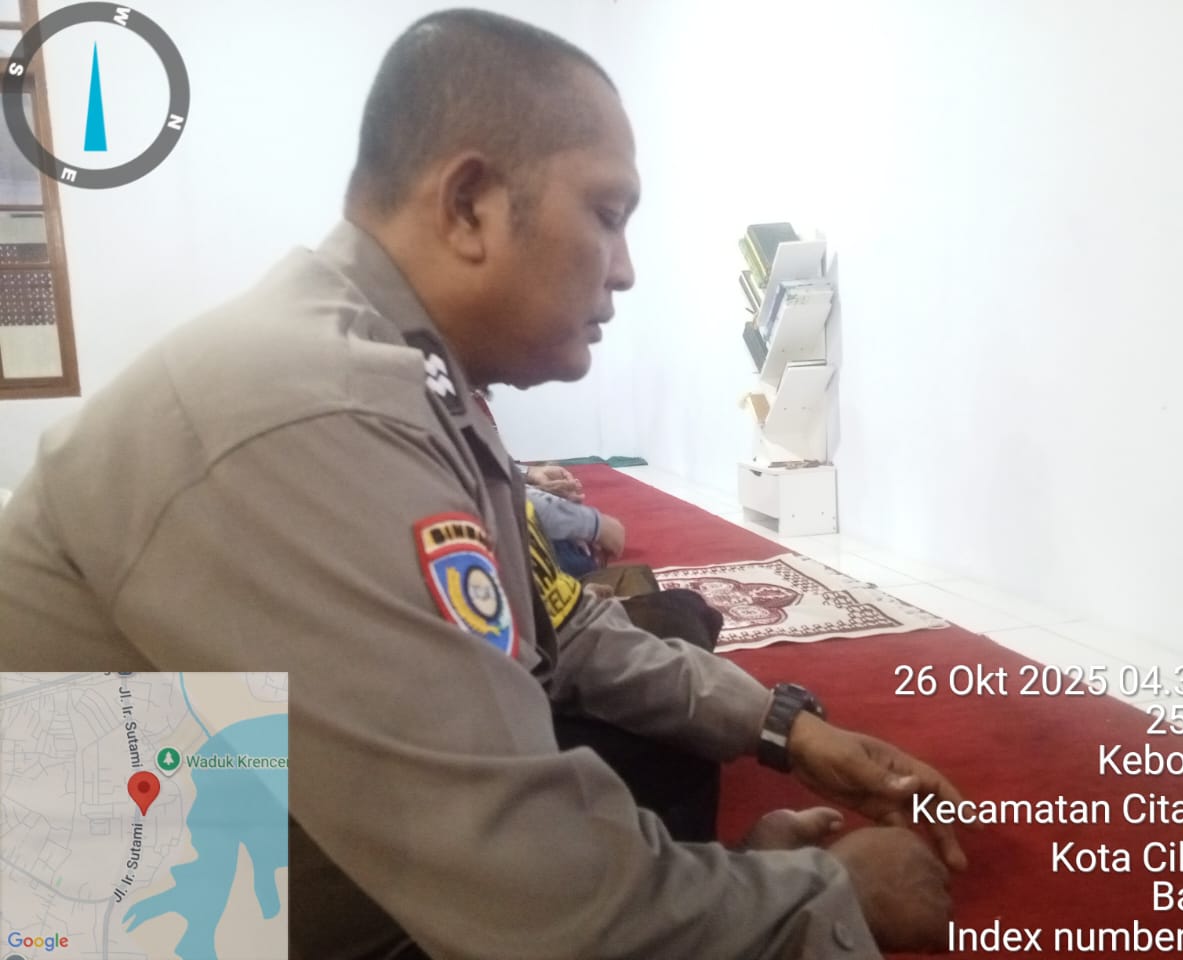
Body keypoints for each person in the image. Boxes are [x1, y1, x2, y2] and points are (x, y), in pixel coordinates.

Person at [0, 9, 964, 960]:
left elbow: (554, 631)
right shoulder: (318, 408)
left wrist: (782, 727)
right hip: (151, 917)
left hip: (255, 852)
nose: (625, 270)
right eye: (608, 215)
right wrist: (830, 899)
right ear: (468, 205)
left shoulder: (415, 378)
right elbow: (537, 905)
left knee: (660, 729)